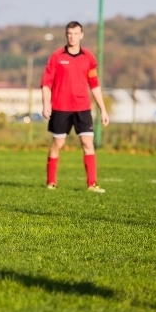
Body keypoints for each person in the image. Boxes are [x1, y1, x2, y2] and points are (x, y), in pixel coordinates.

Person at [41, 21, 109, 192]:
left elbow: (94, 85)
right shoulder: (56, 57)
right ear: (66, 35)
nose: (72, 37)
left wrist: (103, 109)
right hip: (60, 108)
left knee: (88, 143)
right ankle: (51, 183)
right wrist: (45, 104)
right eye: (70, 34)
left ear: (82, 35)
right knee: (58, 143)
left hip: (82, 108)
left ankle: (92, 184)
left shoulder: (89, 58)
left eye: (76, 33)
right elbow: (46, 84)